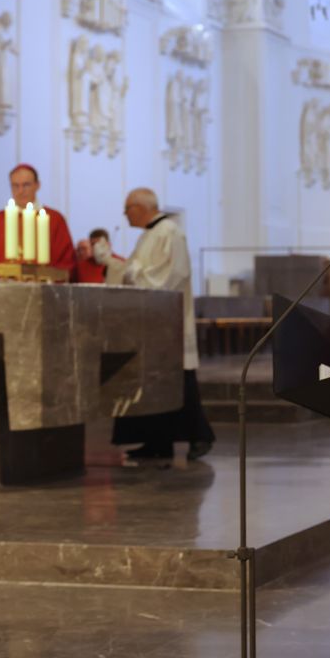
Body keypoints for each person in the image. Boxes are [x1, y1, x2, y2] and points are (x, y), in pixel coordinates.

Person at [113, 188, 214, 465]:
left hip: (170, 325)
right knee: (152, 383)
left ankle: (200, 436)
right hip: (150, 325)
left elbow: (173, 274)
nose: (125, 214)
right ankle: (158, 442)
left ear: (140, 207)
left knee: (179, 383)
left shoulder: (169, 232)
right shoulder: (149, 234)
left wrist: (134, 274)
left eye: (127, 209)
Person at [0, 164, 76, 276]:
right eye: (15, 186)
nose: (20, 191)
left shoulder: (54, 219)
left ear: (37, 185)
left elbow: (67, 263)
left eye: (26, 185)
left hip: (41, 290)